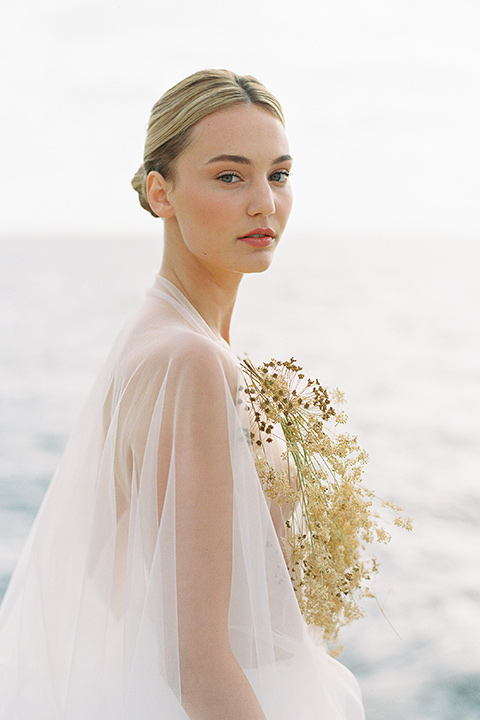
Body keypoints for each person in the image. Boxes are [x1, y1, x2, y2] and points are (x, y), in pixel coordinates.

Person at [0, 69, 365, 719]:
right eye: (230, 176)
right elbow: (193, 659)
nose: (264, 202)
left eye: (278, 175)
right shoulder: (190, 362)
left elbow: (117, 571)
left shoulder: (169, 340)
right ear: (160, 193)